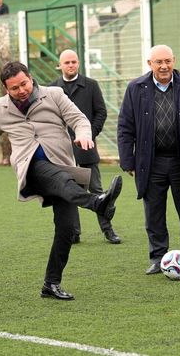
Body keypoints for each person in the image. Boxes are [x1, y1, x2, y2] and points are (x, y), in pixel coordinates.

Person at [0, 62, 122, 300]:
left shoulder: (55, 94)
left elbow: (79, 119)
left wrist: (83, 135)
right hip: (31, 168)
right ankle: (97, 203)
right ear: (6, 89)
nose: (21, 90)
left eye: (24, 84)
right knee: (58, 177)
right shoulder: (0, 108)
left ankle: (51, 284)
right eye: (14, 88)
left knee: (66, 229)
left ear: (30, 78)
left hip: (63, 166)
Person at [117, 45, 180, 274]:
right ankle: (158, 257)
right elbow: (125, 126)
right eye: (158, 62)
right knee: (154, 213)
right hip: (151, 161)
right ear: (149, 63)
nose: (164, 66)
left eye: (167, 61)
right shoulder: (136, 88)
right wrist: (128, 161)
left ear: (174, 60)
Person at [50, 49, 121, 244]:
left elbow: (101, 113)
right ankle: (74, 233)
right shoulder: (52, 89)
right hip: (62, 151)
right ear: (60, 65)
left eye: (74, 61)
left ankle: (108, 231)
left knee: (97, 191)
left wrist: (89, 134)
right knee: (67, 192)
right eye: (67, 62)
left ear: (78, 63)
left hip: (87, 149)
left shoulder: (91, 85)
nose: (71, 65)